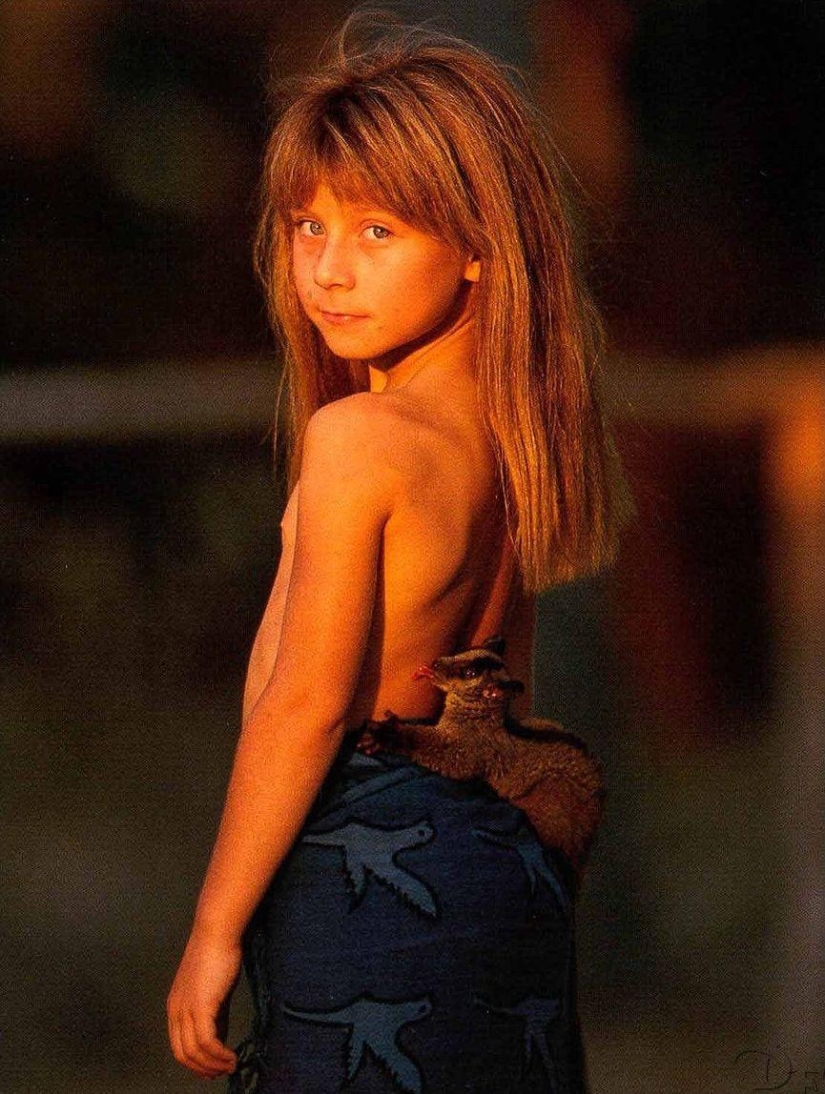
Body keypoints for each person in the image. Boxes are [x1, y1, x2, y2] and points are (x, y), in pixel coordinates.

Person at [167, 16, 625, 1093]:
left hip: (369, 872)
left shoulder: (360, 439)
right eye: (308, 226)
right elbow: (503, 693)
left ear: (476, 245)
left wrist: (214, 927)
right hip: (498, 871)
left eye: (377, 230)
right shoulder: (516, 441)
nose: (329, 269)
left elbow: (306, 705)